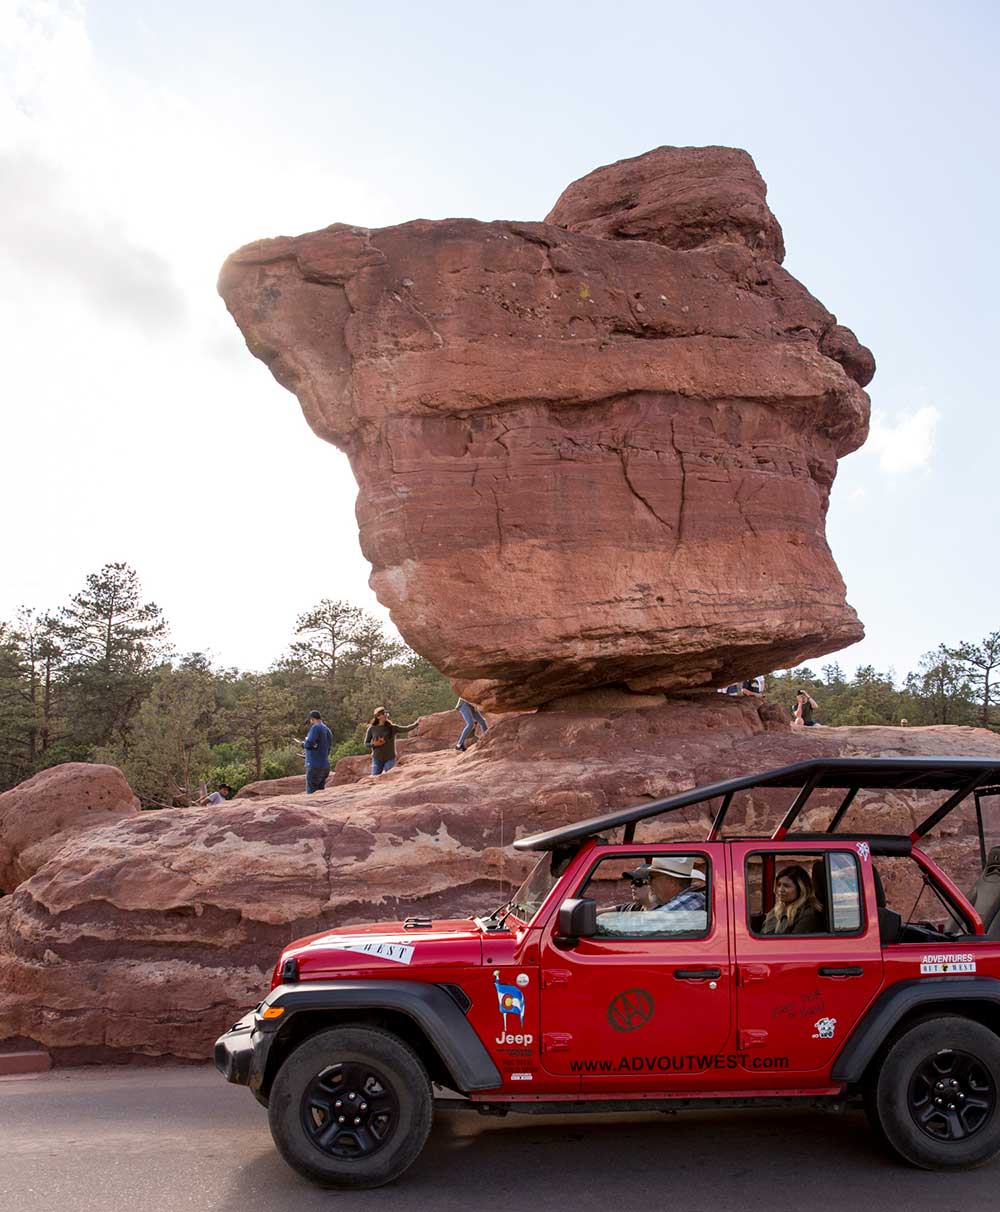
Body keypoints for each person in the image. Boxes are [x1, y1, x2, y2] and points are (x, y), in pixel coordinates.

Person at [761, 865, 824, 935]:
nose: (780, 890)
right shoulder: (776, 910)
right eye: (779, 885)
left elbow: (793, 944)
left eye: (786, 886)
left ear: (801, 889)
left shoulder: (808, 915)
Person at [632, 856, 706, 913]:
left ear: (671, 882)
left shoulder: (694, 899)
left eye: (651, 877)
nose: (648, 882)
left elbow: (646, 926)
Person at [364, 707, 421, 776]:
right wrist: (374, 744)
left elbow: (406, 729)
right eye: (383, 714)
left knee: (389, 777)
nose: (386, 715)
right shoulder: (372, 729)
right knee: (375, 778)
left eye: (386, 713)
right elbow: (366, 744)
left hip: (390, 758)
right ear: (378, 716)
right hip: (377, 758)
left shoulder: (392, 727)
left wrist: (416, 724)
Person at [296, 710, 333, 793]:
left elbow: (309, 743)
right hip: (325, 765)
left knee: (311, 793)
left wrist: (303, 744)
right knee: (320, 792)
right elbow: (327, 748)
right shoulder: (327, 730)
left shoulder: (316, 727)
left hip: (314, 766)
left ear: (312, 719)